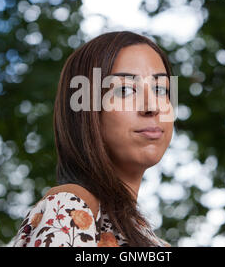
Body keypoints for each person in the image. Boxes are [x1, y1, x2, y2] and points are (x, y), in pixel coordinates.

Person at [11, 31, 175, 247]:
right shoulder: (68, 209)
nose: (152, 106)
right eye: (125, 90)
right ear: (86, 111)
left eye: (160, 89)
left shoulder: (153, 242)